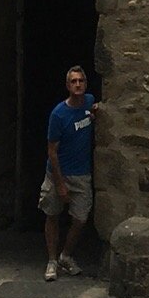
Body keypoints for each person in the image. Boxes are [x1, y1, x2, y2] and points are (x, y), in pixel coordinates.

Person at [41, 65, 99, 280]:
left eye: (81, 81)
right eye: (73, 81)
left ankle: (66, 255)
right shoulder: (59, 115)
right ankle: (52, 260)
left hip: (81, 173)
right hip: (59, 172)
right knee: (52, 214)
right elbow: (52, 151)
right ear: (67, 85)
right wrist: (60, 183)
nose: (77, 85)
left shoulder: (90, 102)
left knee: (81, 218)